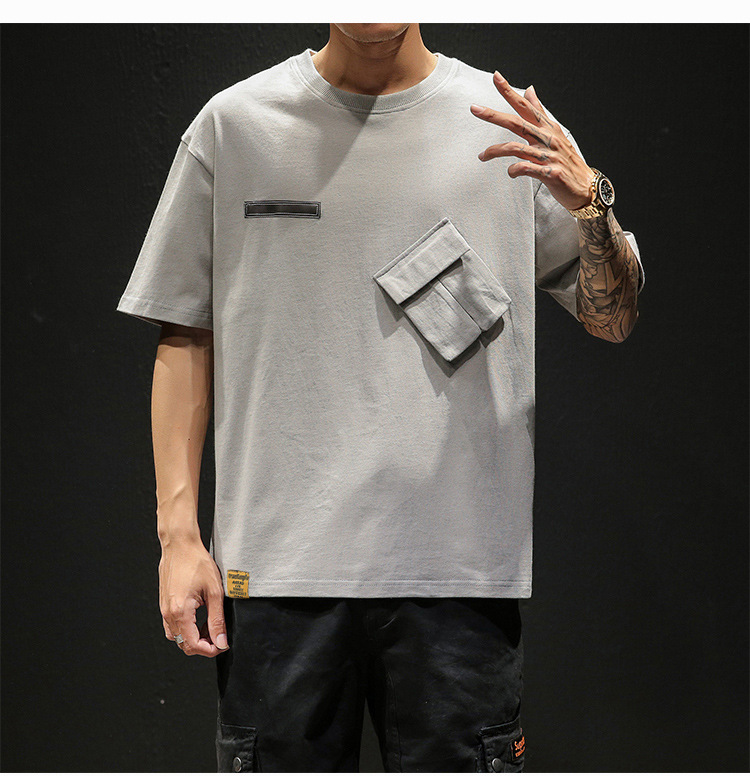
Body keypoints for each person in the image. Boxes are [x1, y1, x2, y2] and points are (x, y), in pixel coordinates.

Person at [116, 23, 645, 773]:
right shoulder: (234, 126)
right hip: (277, 576)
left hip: (458, 579)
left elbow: (612, 317)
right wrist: (178, 539)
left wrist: (592, 204)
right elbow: (184, 333)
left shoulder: (504, 125)